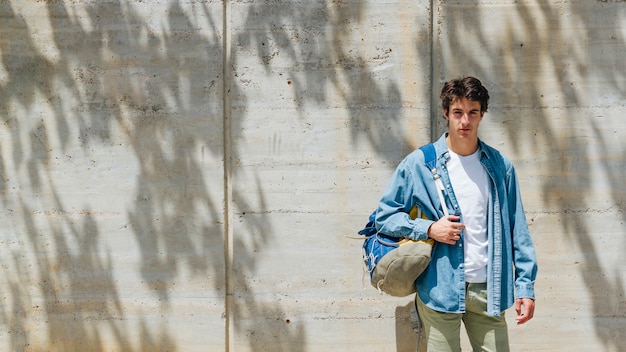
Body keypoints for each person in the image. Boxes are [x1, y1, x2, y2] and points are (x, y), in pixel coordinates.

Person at [375, 76, 537, 351]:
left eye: (473, 112)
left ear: (482, 114)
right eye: (458, 113)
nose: (465, 121)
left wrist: (525, 288)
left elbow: (517, 230)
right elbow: (384, 217)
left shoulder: (500, 166)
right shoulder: (420, 164)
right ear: (446, 114)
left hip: (489, 290)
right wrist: (428, 229)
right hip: (440, 288)